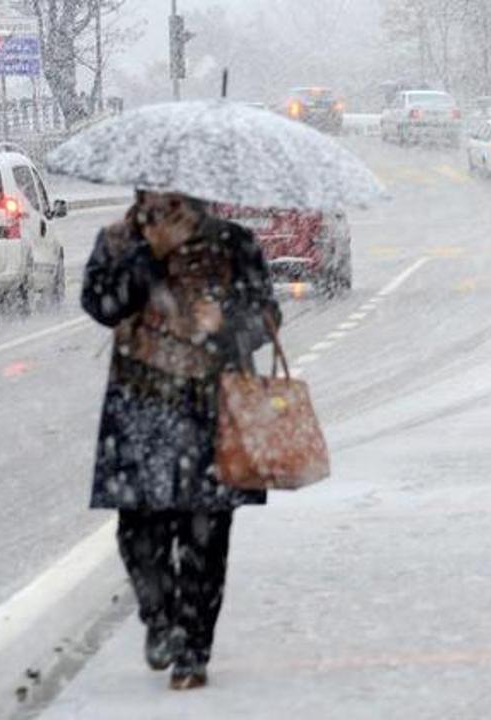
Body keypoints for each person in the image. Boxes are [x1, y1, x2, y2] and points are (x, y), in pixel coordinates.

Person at [81, 191, 281, 689]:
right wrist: (149, 257)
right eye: (153, 190)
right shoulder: (118, 241)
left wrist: (225, 324)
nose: (164, 198)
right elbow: (102, 305)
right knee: (138, 531)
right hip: (140, 409)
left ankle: (194, 649)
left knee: (206, 537)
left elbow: (266, 316)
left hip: (212, 411)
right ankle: (159, 617)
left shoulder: (232, 242)